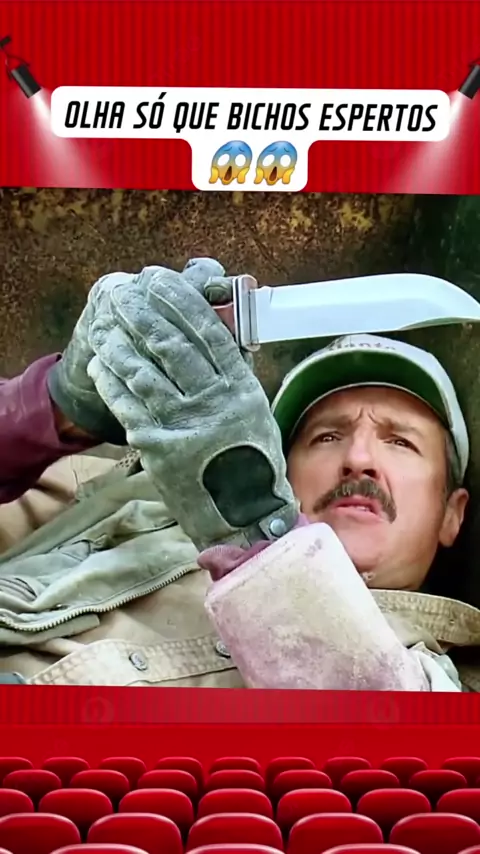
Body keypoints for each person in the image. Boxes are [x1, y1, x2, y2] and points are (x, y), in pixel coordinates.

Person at [0, 262, 478, 691]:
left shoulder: (438, 685)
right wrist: (55, 407)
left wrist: (255, 528)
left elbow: (383, 741)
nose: (358, 457)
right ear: (282, 468)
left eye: (400, 442)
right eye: (327, 436)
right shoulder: (113, 494)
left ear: (452, 515)